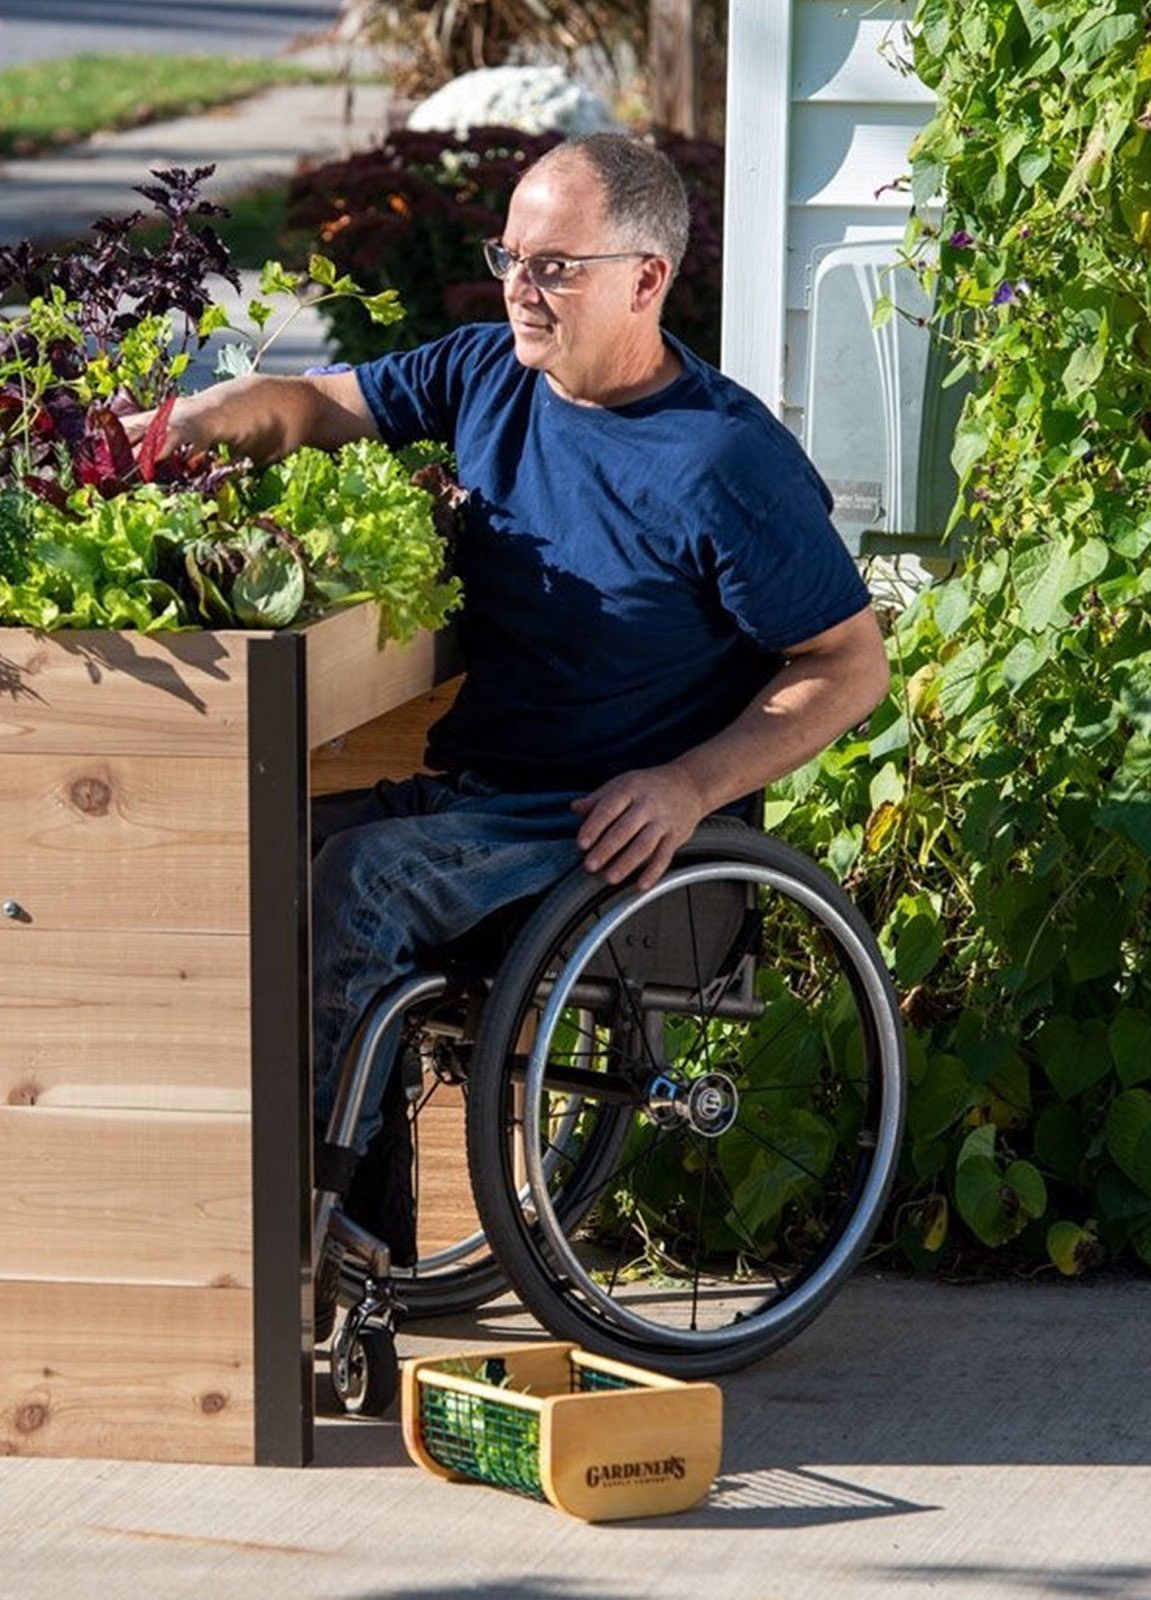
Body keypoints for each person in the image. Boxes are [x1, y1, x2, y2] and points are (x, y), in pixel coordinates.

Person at [129, 131, 889, 1256]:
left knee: (361, 880)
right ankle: (302, 1219)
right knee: (240, 852)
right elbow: (311, 404)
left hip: (608, 828)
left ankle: (326, 1241)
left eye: (554, 266)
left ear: (646, 279)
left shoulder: (723, 463)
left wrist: (689, 784)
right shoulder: (489, 373)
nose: (520, 289)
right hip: (482, 799)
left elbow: (846, 666)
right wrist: (180, 431)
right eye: (510, 256)